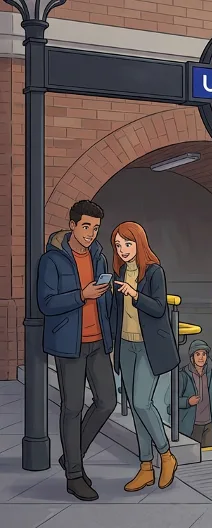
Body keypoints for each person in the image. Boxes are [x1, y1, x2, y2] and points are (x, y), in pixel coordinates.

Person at [38, 200, 116, 501]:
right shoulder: (52, 261)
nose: (91, 234)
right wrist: (81, 295)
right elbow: (46, 303)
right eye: (86, 226)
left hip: (97, 341)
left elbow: (104, 301)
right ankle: (74, 474)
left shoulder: (99, 257)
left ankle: (73, 454)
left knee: (107, 401)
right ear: (72, 225)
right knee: (72, 408)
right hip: (69, 344)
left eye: (95, 228)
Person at [109, 221, 180, 492]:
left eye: (128, 243)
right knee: (137, 409)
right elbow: (117, 314)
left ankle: (166, 455)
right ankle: (146, 467)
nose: (123, 250)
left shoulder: (153, 272)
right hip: (126, 345)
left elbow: (159, 308)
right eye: (118, 245)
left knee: (141, 402)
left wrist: (135, 294)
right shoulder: (118, 272)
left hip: (149, 347)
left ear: (140, 243)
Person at [177, 340, 212, 448]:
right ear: (192, 357)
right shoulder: (183, 376)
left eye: (204, 354)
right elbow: (172, 402)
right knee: (193, 456)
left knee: (209, 455)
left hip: (209, 425)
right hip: (192, 425)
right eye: (197, 354)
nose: (201, 357)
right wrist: (188, 401)